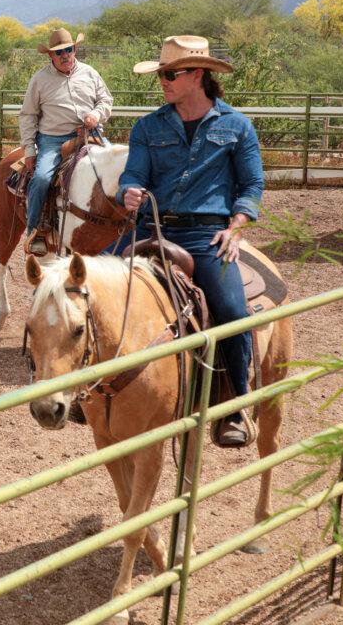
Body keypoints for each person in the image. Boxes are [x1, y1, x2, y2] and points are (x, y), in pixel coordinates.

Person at [117, 35, 263, 446]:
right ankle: (87, 388)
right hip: (151, 227)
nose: (162, 81)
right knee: (88, 285)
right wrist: (128, 191)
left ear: (197, 75)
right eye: (161, 74)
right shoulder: (147, 126)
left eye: (169, 74)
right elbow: (134, 176)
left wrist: (235, 229)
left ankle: (235, 406)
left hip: (205, 234)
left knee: (234, 312)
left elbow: (251, 186)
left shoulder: (237, 126)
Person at [18, 28, 113, 256]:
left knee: (116, 172)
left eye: (68, 50)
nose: (64, 55)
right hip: (53, 139)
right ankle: (36, 232)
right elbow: (28, 115)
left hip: (89, 135)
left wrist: (97, 114)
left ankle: (120, 227)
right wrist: (30, 150)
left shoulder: (90, 73)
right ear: (50, 55)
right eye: (59, 52)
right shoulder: (40, 80)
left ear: (75, 49)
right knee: (41, 179)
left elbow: (105, 99)